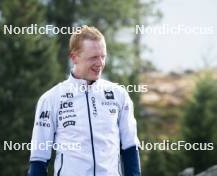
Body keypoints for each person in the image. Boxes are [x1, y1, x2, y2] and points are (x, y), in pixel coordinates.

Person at [27, 26, 141, 176]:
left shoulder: (119, 95)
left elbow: (130, 146)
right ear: (74, 57)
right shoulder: (50, 99)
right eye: (93, 57)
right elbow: (39, 158)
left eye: (103, 56)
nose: (100, 63)